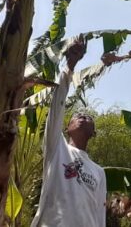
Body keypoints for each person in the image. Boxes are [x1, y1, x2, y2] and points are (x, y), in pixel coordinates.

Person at [30, 38, 106, 227]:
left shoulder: (99, 172)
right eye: (76, 116)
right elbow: (57, 108)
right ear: (66, 128)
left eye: (88, 117)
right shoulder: (57, 148)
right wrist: (69, 67)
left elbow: (99, 214)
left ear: (93, 133)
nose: (82, 116)